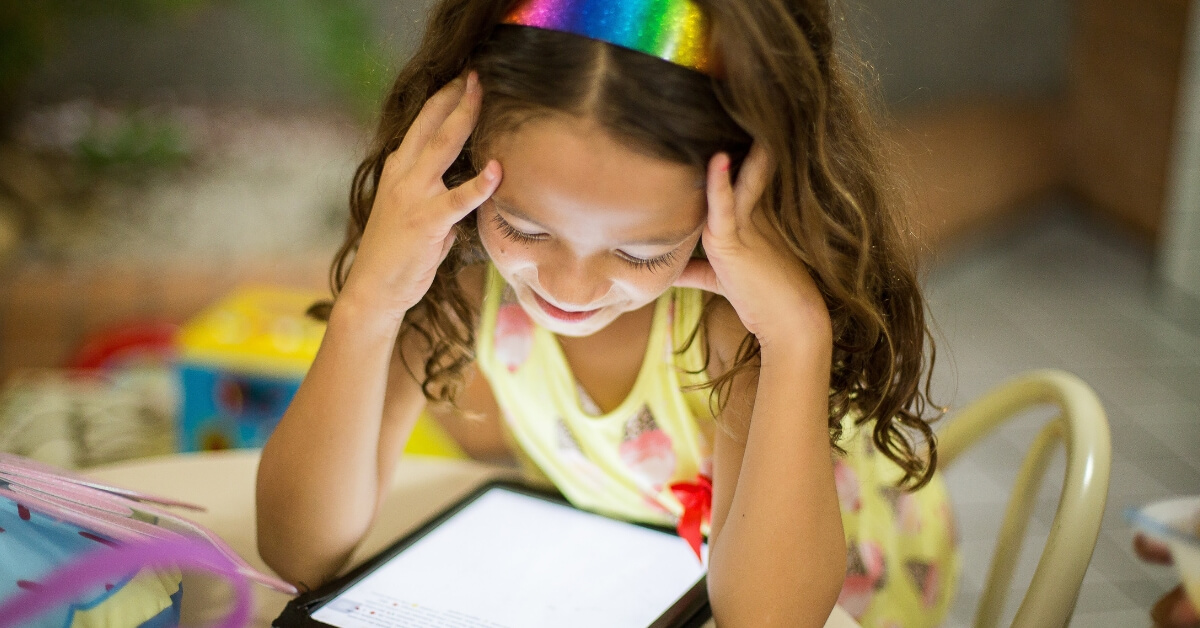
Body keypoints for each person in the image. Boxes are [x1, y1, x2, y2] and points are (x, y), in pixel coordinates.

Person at [255, 0, 959, 625]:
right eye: (526, 229)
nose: (572, 287)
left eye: (642, 252)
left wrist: (798, 333)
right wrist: (370, 302)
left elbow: (768, 620)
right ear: (463, 160)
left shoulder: (733, 335)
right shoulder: (462, 304)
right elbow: (299, 551)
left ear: (740, 207)